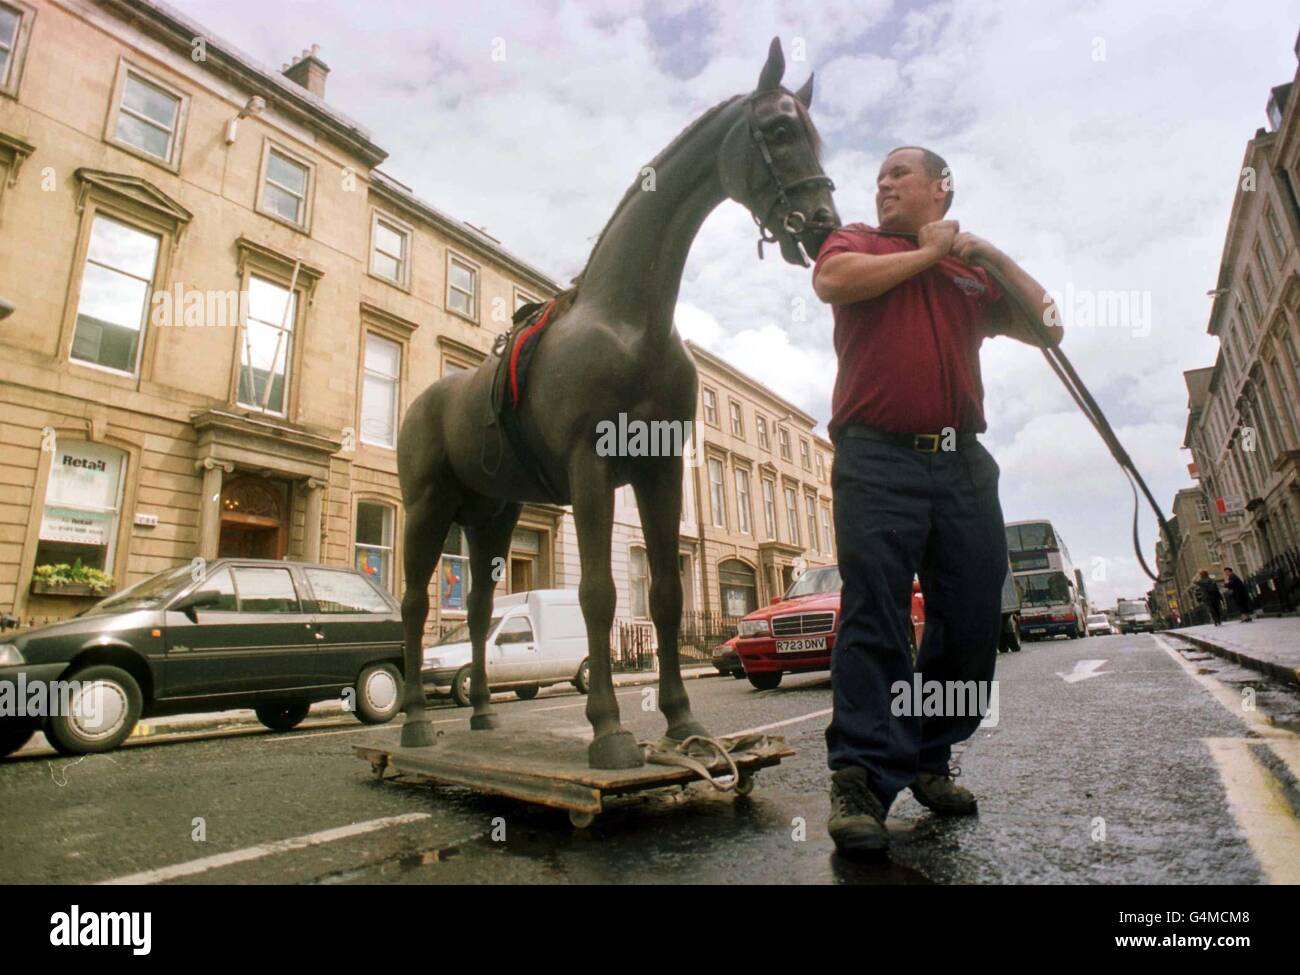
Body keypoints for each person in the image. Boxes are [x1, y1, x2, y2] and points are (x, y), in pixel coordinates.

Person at [812, 146, 1063, 856]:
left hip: (960, 462)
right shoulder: (857, 240)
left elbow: (1048, 323)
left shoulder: (967, 274)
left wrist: (984, 250)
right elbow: (833, 281)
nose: (883, 184)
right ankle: (860, 775)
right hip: (875, 457)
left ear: (940, 189)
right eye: (880, 177)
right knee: (877, 608)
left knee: (974, 609)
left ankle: (929, 753)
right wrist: (927, 256)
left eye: (900, 174)